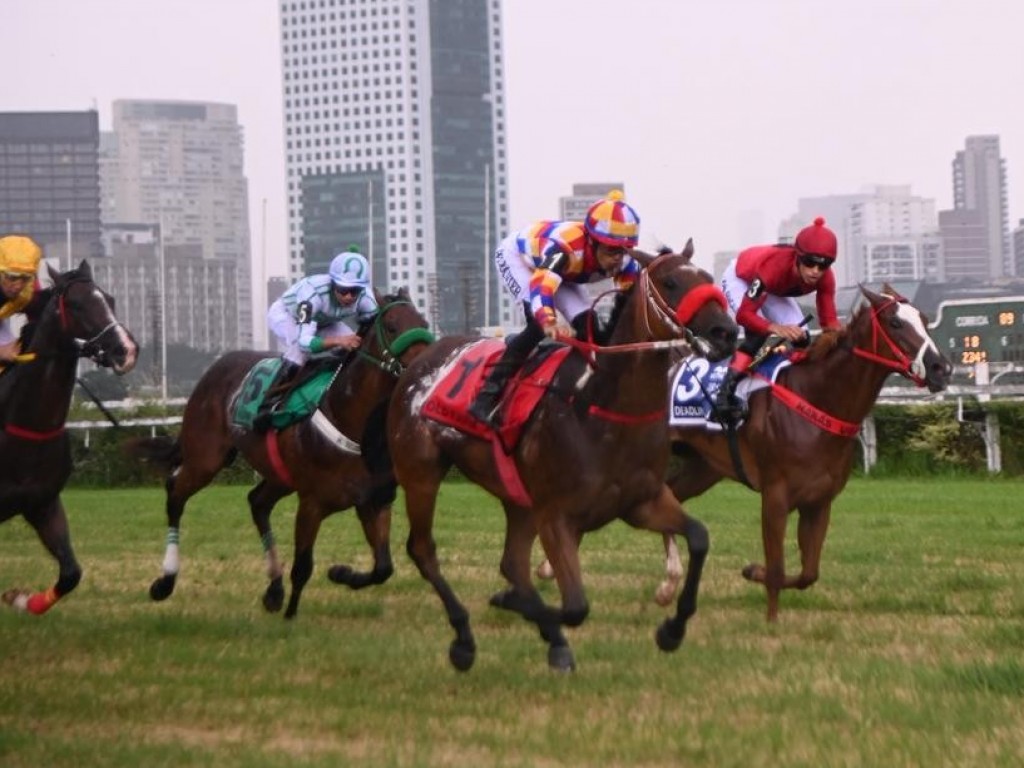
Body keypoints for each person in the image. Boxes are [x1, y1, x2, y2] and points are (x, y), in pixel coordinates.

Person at [467, 189, 641, 427]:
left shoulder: (626, 262)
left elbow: (628, 307)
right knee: (538, 326)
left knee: (592, 330)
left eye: (623, 251)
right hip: (520, 260)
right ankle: (485, 398)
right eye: (611, 250)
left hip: (566, 275)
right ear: (592, 241)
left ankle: (588, 393)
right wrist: (549, 320)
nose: (617, 259)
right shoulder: (566, 248)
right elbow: (541, 289)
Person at [714, 216, 842, 424]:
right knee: (757, 332)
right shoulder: (772, 268)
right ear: (797, 258)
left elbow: (830, 325)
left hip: (774, 289)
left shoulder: (826, 278)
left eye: (823, 265)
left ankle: (794, 387)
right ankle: (723, 397)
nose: (815, 272)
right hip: (742, 278)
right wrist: (775, 328)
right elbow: (744, 316)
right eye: (809, 263)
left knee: (803, 338)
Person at [257, 247, 379, 430]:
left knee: (354, 348)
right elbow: (305, 343)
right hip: (288, 316)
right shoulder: (312, 294)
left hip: (325, 321)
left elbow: (370, 330)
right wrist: (339, 341)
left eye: (354, 290)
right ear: (333, 283)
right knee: (299, 352)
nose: (349, 296)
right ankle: (269, 405)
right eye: (343, 289)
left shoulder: (367, 299)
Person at [0, 234, 43, 365]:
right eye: (12, 278)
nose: (18, 286)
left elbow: (41, 320)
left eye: (25, 278)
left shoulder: (32, 287)